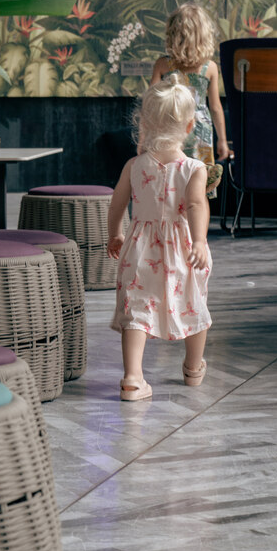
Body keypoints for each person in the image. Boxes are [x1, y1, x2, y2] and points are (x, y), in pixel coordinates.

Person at [107, 74, 213, 401]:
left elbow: (117, 202)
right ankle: (193, 368)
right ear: (189, 125)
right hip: (181, 249)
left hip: (139, 249)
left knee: (136, 311)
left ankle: (132, 378)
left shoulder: (134, 165)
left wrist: (116, 234)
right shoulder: (194, 168)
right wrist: (199, 241)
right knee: (193, 304)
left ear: (145, 122)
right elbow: (195, 204)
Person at [150, 2, 229, 197]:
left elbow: (149, 104)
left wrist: (145, 138)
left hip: (171, 128)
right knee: (201, 188)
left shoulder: (162, 65)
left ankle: (174, 226)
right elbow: (216, 108)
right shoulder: (209, 68)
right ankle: (199, 227)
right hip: (201, 131)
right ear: (203, 35)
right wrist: (223, 141)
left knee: (170, 184)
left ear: (173, 34)